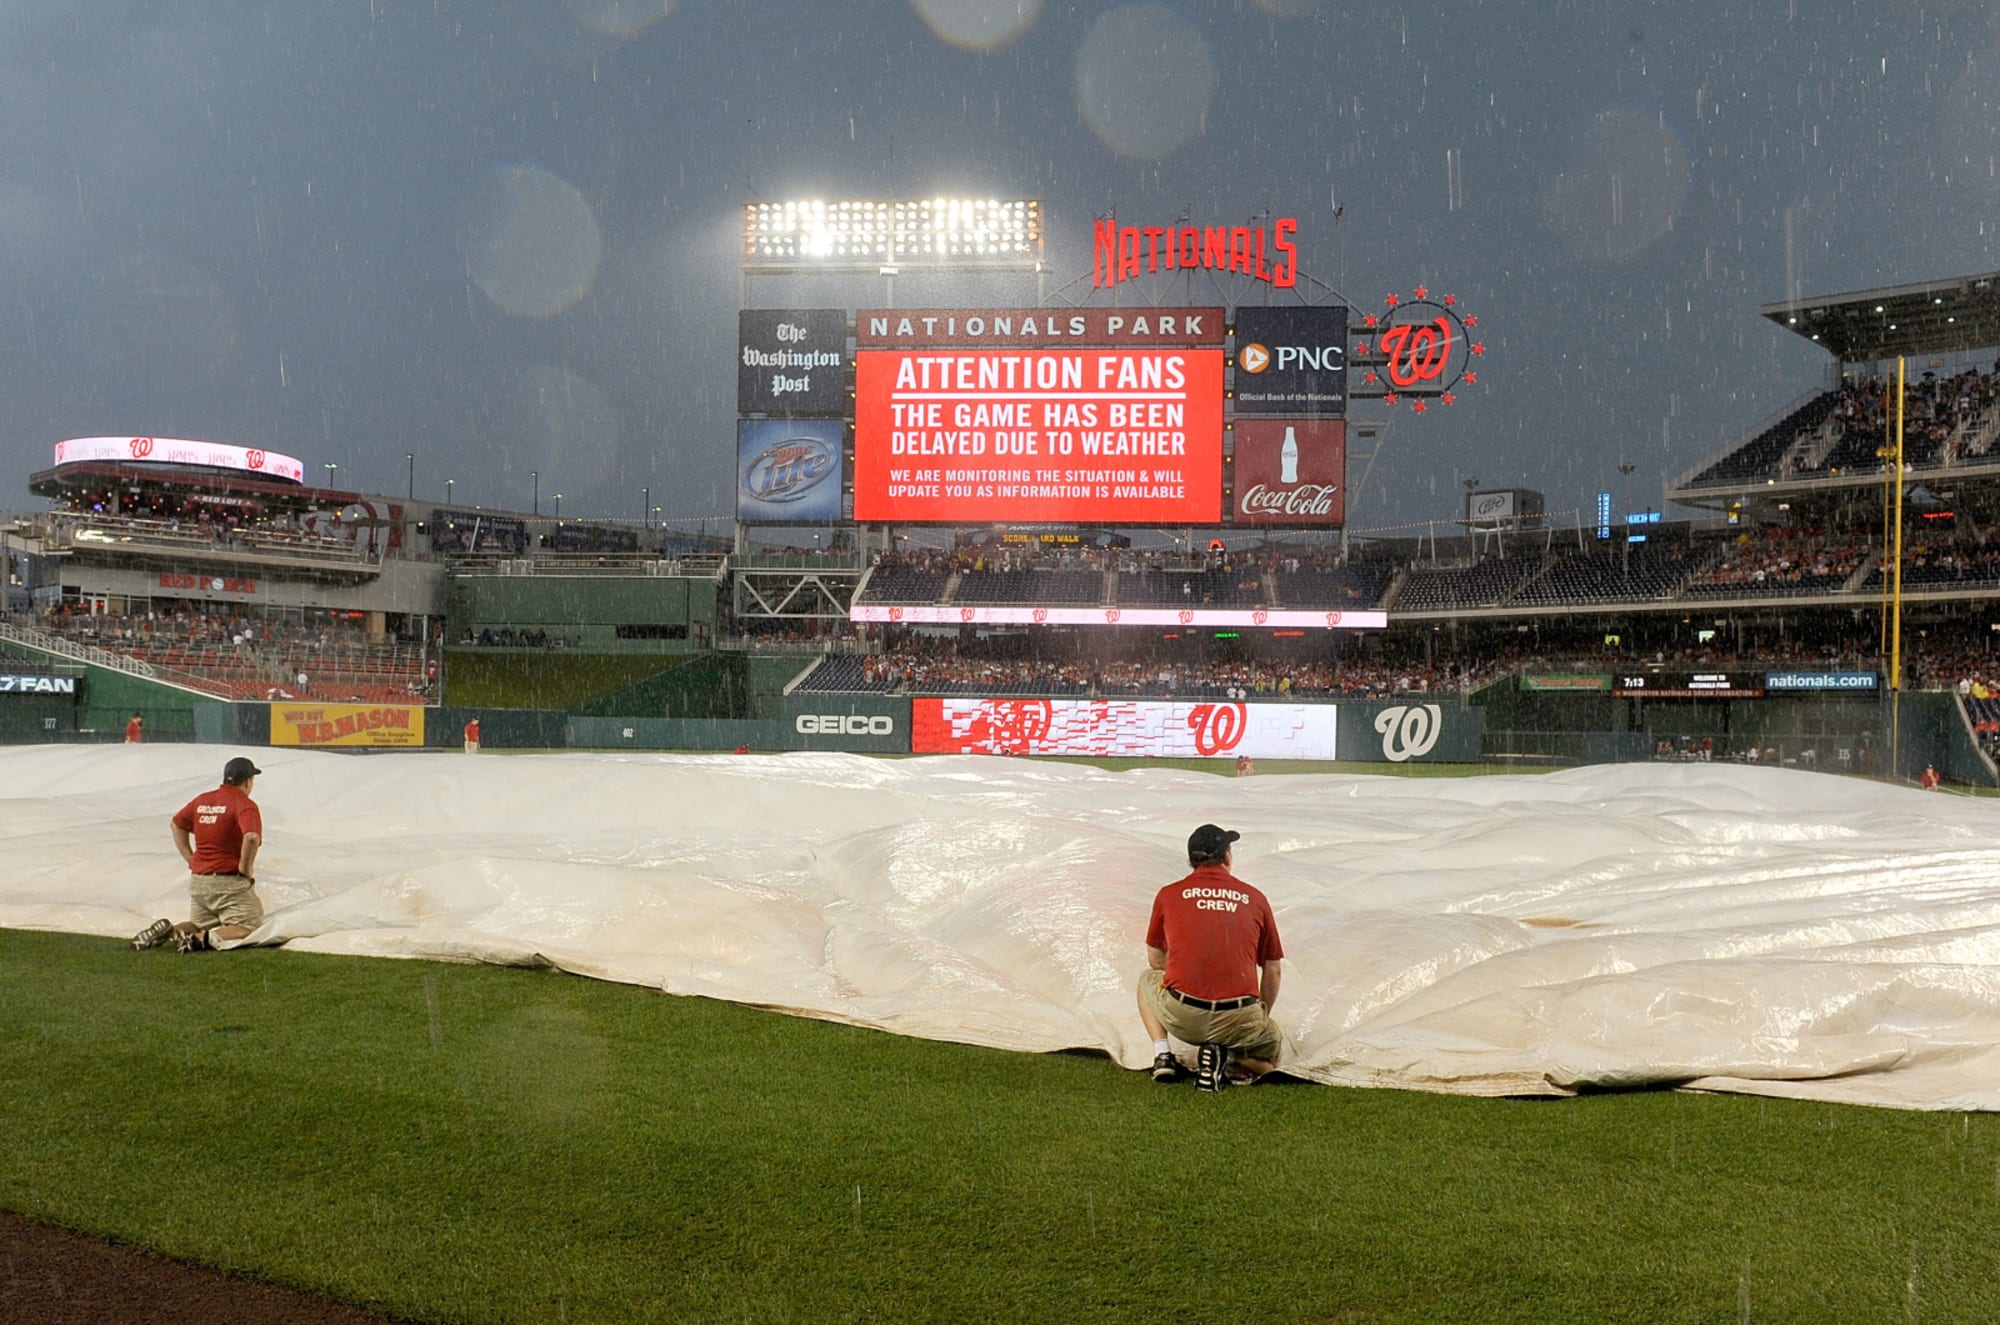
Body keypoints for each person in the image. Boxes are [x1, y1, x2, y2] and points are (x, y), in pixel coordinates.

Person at [1136, 824, 1285, 1092]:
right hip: (1240, 1018)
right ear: (1227, 856)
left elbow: (1155, 959)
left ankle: (1162, 1054)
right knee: (1270, 1061)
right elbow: (1273, 969)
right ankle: (1229, 1056)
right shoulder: (1255, 898)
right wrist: (1259, 1017)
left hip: (1184, 1014)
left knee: (1148, 980)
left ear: (1192, 858)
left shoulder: (1168, 894)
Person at [131, 756, 265, 954]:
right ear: (247, 781)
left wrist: (189, 857)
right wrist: (246, 868)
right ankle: (199, 940)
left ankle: (171, 931)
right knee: (248, 927)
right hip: (228, 883)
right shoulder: (244, 804)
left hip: (199, 881)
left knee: (199, 923)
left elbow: (176, 824)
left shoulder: (202, 800)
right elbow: (252, 837)